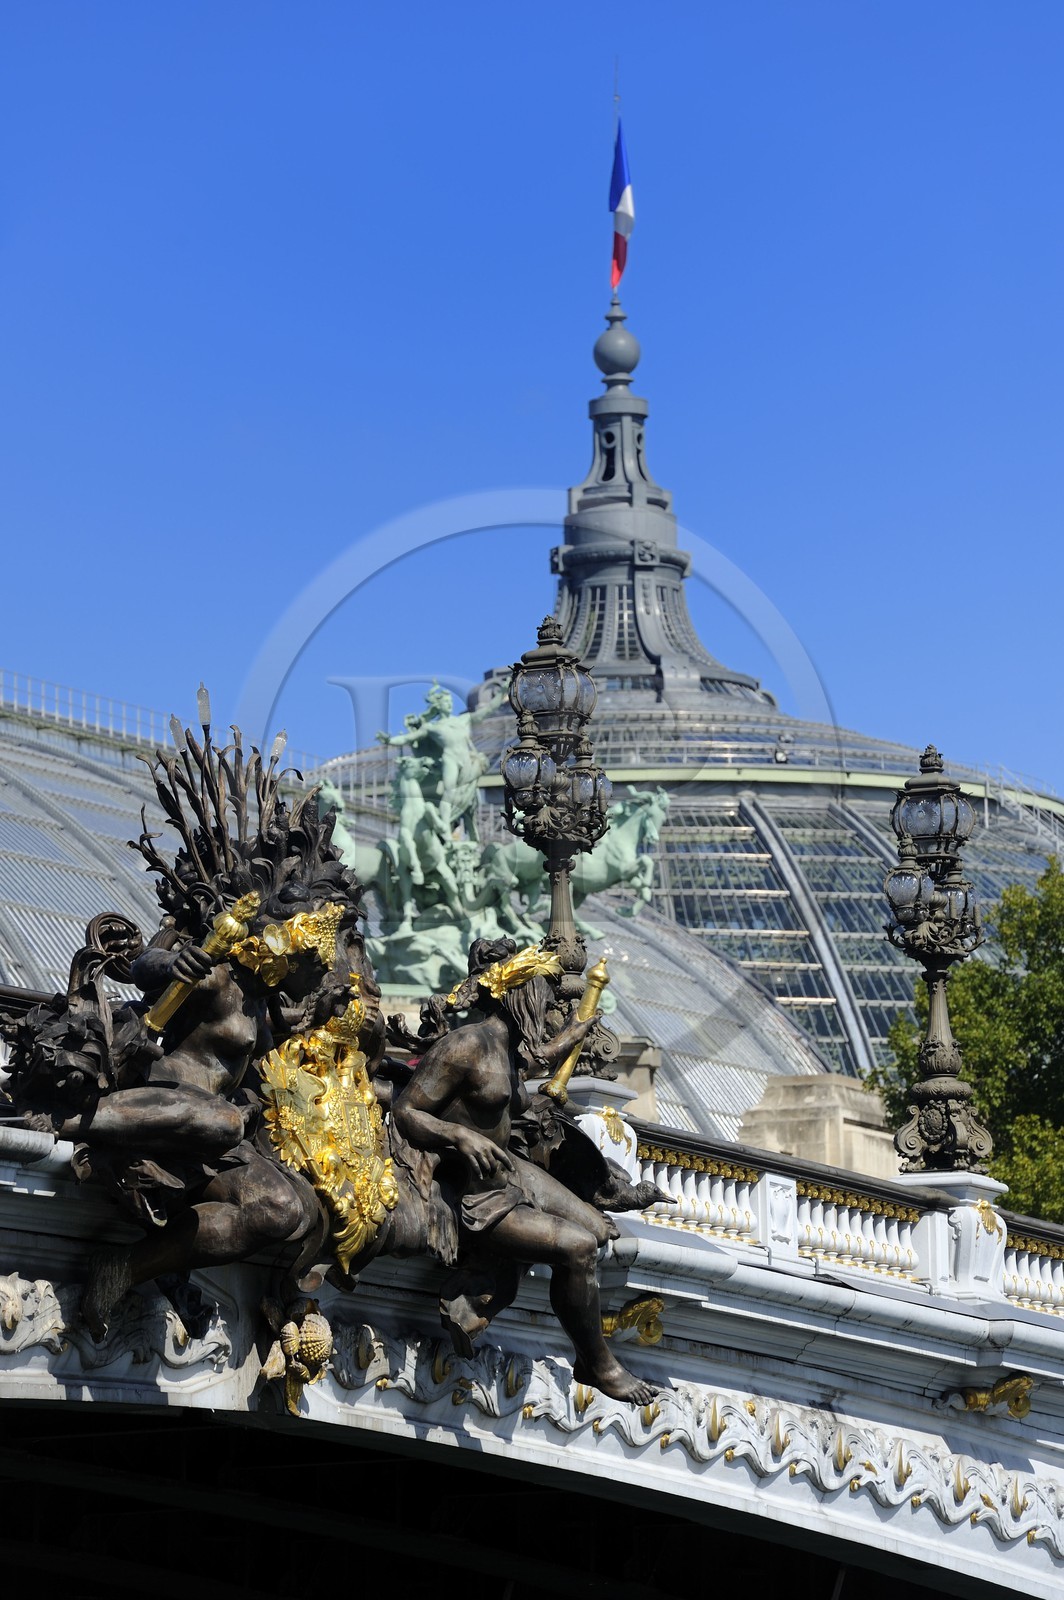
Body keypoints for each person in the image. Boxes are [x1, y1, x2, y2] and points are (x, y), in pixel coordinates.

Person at [391, 939, 657, 1404]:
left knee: (599, 1229)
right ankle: (597, 1363)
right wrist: (460, 1137)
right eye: (543, 994)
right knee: (578, 1249)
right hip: (478, 1193)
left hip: (510, 1171)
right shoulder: (465, 1045)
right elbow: (406, 1112)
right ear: (519, 993)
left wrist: (572, 1037)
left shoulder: (507, 1048)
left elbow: (532, 1063)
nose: (549, 1004)